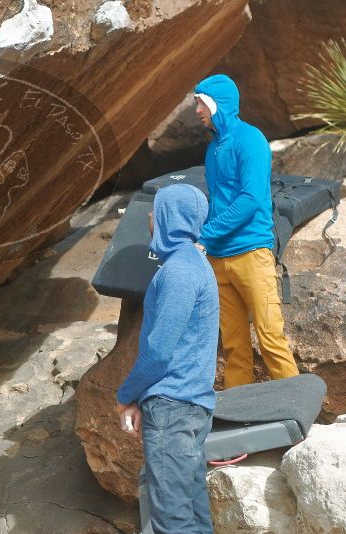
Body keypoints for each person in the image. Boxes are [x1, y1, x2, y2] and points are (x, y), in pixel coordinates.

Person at [116, 184, 219, 534]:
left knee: (173, 521)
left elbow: (159, 351)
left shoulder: (179, 271)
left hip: (173, 409)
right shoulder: (191, 264)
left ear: (167, 217)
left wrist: (125, 396)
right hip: (188, 405)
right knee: (193, 515)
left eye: (155, 209)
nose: (148, 215)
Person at [193, 74, 300, 388]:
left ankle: (297, 411)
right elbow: (218, 200)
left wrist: (206, 235)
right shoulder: (213, 149)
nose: (197, 110)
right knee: (233, 347)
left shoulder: (250, 140)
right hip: (218, 260)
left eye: (200, 103)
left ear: (217, 104)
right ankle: (238, 418)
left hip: (252, 255)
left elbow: (251, 199)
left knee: (271, 339)